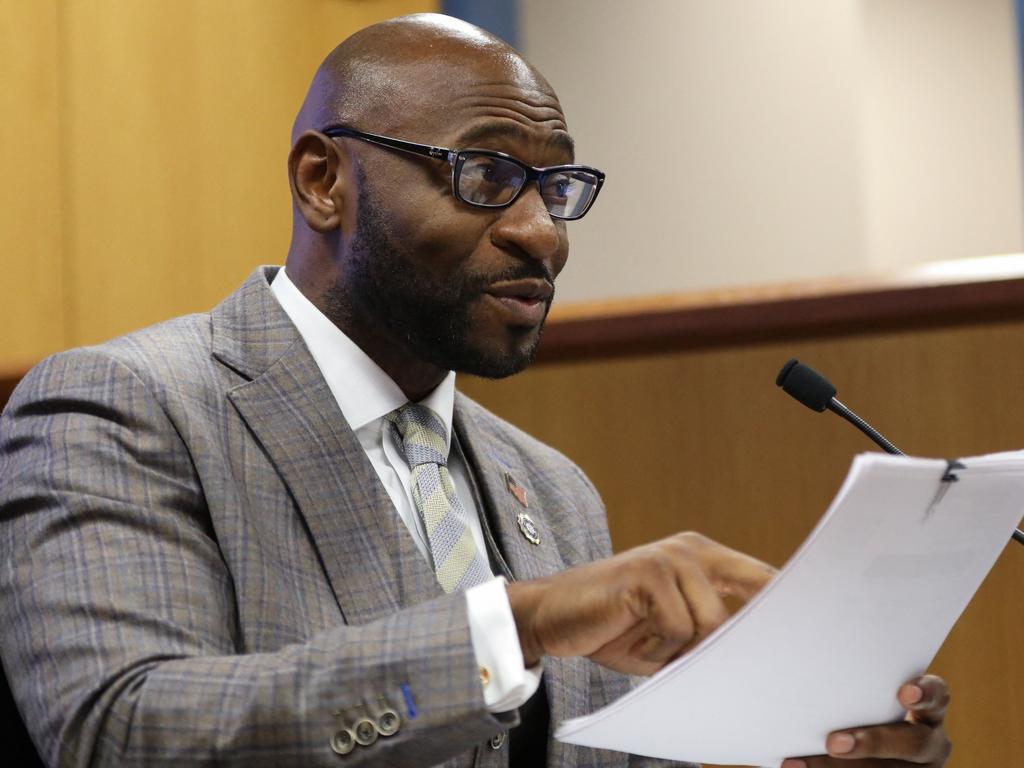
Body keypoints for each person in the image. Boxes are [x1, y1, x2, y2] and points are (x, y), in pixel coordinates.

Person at [0, 13, 951, 768]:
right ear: (325, 182)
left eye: (557, 186)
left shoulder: (552, 488)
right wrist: (520, 624)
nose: (543, 233)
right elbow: (120, 734)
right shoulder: (128, 406)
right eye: (487, 174)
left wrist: (810, 746)